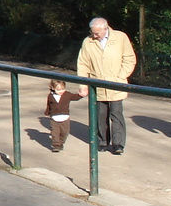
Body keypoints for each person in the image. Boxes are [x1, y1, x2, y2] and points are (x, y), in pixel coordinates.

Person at [76, 17, 137, 155]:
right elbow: (83, 64)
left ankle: (118, 144)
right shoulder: (88, 42)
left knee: (116, 113)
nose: (94, 35)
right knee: (100, 114)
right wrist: (83, 84)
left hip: (116, 83)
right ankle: (103, 141)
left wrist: (121, 76)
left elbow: (129, 59)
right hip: (97, 84)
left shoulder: (121, 37)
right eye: (92, 32)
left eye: (97, 33)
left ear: (105, 28)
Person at [44, 79, 82, 152]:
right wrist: (47, 112)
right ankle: (56, 145)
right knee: (55, 132)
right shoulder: (50, 96)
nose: (61, 91)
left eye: (62, 89)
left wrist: (81, 95)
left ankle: (61, 142)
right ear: (53, 88)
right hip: (54, 117)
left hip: (65, 117)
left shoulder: (67, 94)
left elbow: (75, 97)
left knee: (65, 132)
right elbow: (49, 105)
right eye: (58, 89)